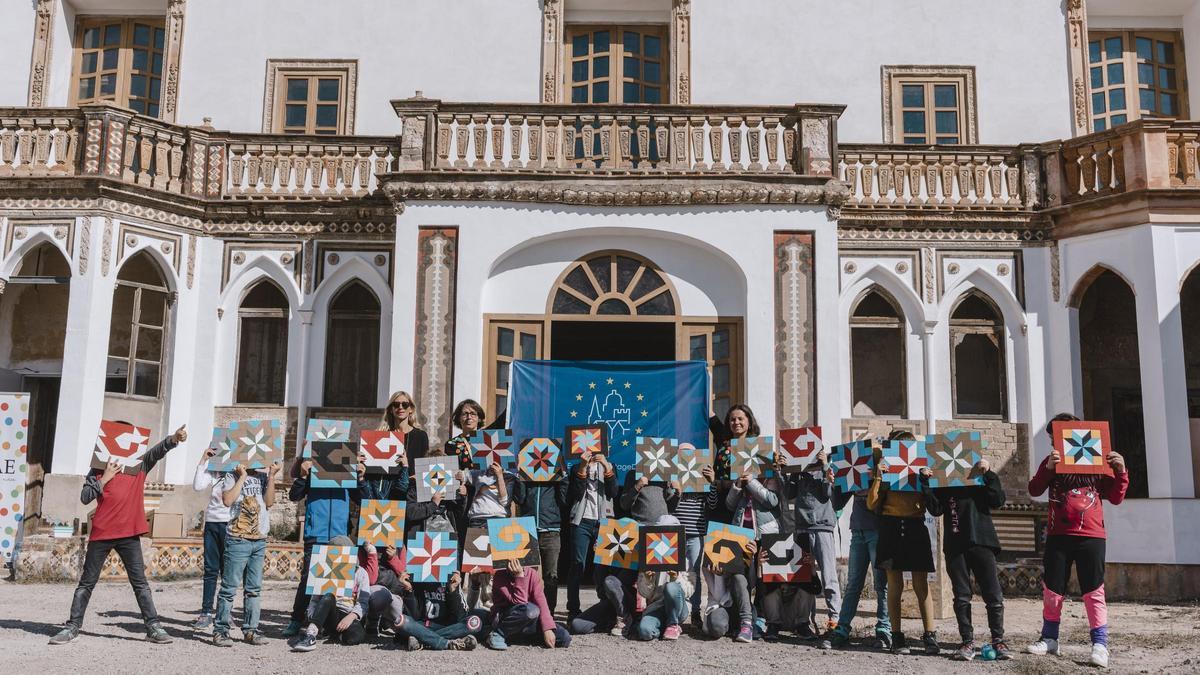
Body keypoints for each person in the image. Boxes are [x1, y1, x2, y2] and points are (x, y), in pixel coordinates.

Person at [49, 425, 188, 646]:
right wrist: (105, 477)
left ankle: (153, 626)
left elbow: (157, 451)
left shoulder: (139, 466)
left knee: (140, 583)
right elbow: (85, 497)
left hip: (129, 534)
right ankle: (72, 627)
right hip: (102, 533)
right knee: (86, 583)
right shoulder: (97, 469)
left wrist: (174, 439)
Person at [1026, 413, 1129, 669]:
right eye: (1053, 437)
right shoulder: (1051, 463)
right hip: (1058, 536)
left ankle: (1100, 645)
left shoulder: (1098, 460)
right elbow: (1034, 489)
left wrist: (1121, 470)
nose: (1055, 441)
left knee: (1093, 591)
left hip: (1091, 536)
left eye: (1060, 435)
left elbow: (1116, 497)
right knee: (1053, 589)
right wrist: (1048, 469)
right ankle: (1050, 638)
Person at [923, 456, 1010, 661]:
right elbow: (935, 509)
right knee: (962, 595)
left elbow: (998, 500)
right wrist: (926, 483)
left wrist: (988, 473)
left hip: (983, 542)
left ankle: (998, 640)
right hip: (955, 546)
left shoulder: (979, 480)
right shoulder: (944, 483)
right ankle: (967, 641)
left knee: (993, 594)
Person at [867, 430, 938, 656]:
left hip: (916, 526)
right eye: (900, 447)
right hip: (891, 527)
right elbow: (871, 504)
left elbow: (935, 508)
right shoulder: (886, 471)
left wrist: (926, 480)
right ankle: (897, 637)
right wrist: (879, 476)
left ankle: (930, 635)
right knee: (894, 586)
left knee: (921, 586)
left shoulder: (921, 469)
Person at [823, 445, 891, 651]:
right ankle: (842, 629)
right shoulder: (855, 474)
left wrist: (877, 477)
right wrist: (833, 482)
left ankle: (884, 630)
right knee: (853, 584)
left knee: (882, 585)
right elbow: (836, 502)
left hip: (878, 532)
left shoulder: (881, 475)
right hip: (858, 532)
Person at [284, 451, 358, 637]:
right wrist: (303, 476)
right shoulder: (312, 474)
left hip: (340, 536)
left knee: (338, 582)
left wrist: (360, 476)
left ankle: (329, 624)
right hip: (316, 534)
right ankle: (296, 620)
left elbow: (362, 497)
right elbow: (294, 496)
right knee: (308, 580)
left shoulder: (347, 474)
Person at [212, 461, 280, 646]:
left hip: (259, 540)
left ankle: (251, 630)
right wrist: (241, 476)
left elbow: (269, 502)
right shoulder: (231, 476)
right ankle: (220, 631)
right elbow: (227, 500)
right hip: (238, 539)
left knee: (254, 589)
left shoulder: (263, 477)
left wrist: (272, 475)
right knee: (229, 588)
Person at [783, 448, 841, 640]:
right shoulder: (798, 472)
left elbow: (829, 494)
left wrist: (825, 467)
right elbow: (789, 493)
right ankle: (804, 621)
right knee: (804, 576)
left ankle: (835, 618)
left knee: (829, 574)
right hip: (802, 527)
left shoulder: (828, 468)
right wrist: (788, 471)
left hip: (823, 527)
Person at [291, 537, 380, 651]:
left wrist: (351, 617)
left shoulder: (361, 573)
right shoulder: (323, 569)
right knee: (328, 597)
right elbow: (315, 599)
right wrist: (313, 616)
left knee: (356, 637)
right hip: (327, 612)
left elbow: (363, 602)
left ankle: (334, 633)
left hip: (347, 614)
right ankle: (310, 635)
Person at [565, 446, 618, 621]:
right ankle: (573, 608)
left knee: (603, 565)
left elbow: (613, 493)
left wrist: (606, 466)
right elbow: (576, 494)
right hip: (582, 521)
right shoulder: (576, 467)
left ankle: (605, 606)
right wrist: (582, 467)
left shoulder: (609, 466)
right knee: (577, 564)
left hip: (603, 521)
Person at [458, 459, 518, 609]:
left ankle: (494, 605)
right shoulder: (477, 474)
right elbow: (459, 475)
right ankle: (473, 610)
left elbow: (504, 501)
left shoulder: (509, 476)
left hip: (498, 522)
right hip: (477, 521)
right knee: (476, 571)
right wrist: (460, 479)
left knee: (497, 569)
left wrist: (499, 476)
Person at [513, 466, 568, 616]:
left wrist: (563, 478)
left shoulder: (555, 477)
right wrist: (520, 478)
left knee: (551, 575)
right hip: (528, 530)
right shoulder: (527, 475)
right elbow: (519, 498)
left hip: (551, 530)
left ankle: (548, 612)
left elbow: (564, 500)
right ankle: (527, 611)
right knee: (526, 574)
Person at [392, 569, 486, 651]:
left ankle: (424, 639)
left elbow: (460, 617)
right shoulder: (416, 577)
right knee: (402, 621)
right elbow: (414, 617)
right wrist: (408, 590)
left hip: (449, 627)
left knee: (474, 622)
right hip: (423, 625)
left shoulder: (451, 578)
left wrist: (453, 590)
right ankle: (446, 643)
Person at [671, 463, 718, 627]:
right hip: (675, 532)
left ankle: (695, 612)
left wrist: (712, 482)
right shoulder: (673, 478)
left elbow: (713, 504)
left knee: (694, 574)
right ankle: (675, 612)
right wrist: (674, 489)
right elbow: (668, 504)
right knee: (673, 572)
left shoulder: (702, 481)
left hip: (696, 533)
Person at [488, 559, 571, 650]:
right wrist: (519, 576)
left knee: (564, 638)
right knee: (531, 610)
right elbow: (519, 602)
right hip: (507, 620)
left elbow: (541, 602)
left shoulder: (532, 573)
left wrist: (547, 628)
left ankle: (519, 638)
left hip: (528, 621)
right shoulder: (500, 576)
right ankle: (498, 633)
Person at [191, 446, 231, 630]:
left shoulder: (235, 472)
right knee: (210, 569)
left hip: (230, 524)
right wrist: (203, 459)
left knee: (228, 571)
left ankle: (224, 613)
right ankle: (206, 612)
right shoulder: (212, 472)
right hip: (212, 523)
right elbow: (198, 486)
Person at [633, 515, 692, 641]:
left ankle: (673, 624)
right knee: (645, 632)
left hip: (679, 608)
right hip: (656, 607)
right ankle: (664, 627)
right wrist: (648, 580)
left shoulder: (685, 560)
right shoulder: (648, 559)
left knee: (671, 587)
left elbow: (690, 591)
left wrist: (676, 578)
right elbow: (644, 593)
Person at [699, 542, 757, 643]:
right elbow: (717, 596)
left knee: (738, 577)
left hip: (741, 608)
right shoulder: (711, 551)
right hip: (721, 606)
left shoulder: (743, 548)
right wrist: (719, 576)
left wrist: (752, 559)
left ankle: (746, 625)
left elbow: (751, 585)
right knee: (717, 628)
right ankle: (731, 628)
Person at [567, 565, 637, 637]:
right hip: (610, 605)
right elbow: (601, 594)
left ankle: (625, 619)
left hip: (631, 603)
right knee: (576, 625)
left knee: (610, 581)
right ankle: (611, 623)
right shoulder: (602, 561)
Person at [381, 391, 429, 472]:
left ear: (411, 409)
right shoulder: (383, 436)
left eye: (405, 404)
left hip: (412, 483)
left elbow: (425, 465)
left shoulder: (420, 436)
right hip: (390, 483)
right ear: (391, 410)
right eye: (396, 404)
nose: (400, 407)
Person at [445, 399, 485, 471]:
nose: (469, 417)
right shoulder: (451, 444)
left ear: (479, 418)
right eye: (465, 414)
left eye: (473, 414)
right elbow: (452, 471)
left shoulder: (487, 440)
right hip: (464, 482)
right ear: (459, 418)